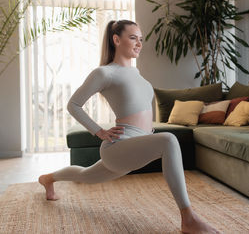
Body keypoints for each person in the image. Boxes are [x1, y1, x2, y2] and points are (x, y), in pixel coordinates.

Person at [38, 19, 220, 234]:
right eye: (133, 38)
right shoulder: (105, 73)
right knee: (169, 139)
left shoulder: (136, 73)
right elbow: (73, 105)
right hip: (118, 146)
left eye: (141, 39)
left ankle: (48, 179)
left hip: (134, 146)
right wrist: (99, 131)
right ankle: (188, 219)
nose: (139, 44)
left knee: (85, 175)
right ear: (116, 40)